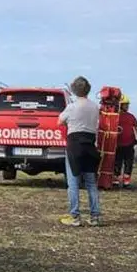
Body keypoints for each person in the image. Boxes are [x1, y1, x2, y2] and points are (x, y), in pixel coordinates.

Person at [57, 76, 102, 227]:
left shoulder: (72, 107)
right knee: (91, 183)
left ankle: (75, 216)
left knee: (73, 183)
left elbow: (60, 121)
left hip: (74, 145)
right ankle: (95, 216)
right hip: (90, 144)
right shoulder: (95, 107)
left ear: (74, 90)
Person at [114, 94, 137, 188]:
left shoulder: (131, 116)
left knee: (128, 164)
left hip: (129, 145)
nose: (127, 106)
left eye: (127, 104)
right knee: (117, 163)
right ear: (120, 105)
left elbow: (136, 127)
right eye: (125, 104)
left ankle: (127, 183)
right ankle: (115, 182)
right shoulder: (115, 117)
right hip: (118, 145)